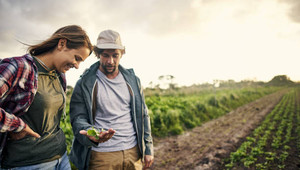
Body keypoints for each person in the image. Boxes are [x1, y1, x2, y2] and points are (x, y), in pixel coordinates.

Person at [0, 25, 93, 169]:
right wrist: (17, 125)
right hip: (28, 163)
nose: (77, 66)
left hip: (61, 157)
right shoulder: (18, 67)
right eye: (77, 58)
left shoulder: (59, 75)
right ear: (62, 44)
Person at [69, 29, 154, 170]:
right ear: (97, 54)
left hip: (133, 151)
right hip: (101, 155)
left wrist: (148, 148)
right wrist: (90, 133)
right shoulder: (85, 83)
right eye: (105, 55)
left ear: (122, 54)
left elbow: (143, 115)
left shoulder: (133, 81)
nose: (110, 61)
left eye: (115, 55)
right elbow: (78, 118)